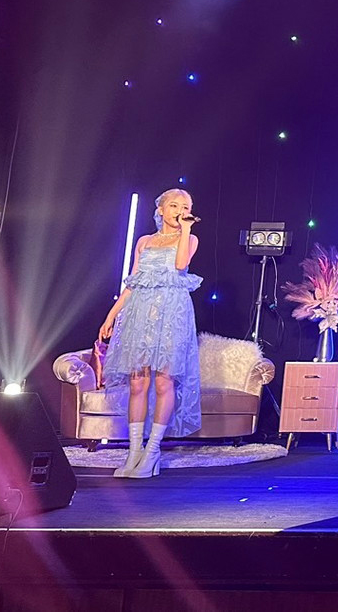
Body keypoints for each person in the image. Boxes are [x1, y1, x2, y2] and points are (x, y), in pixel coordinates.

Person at [99, 188, 203, 478]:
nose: (180, 211)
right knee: (137, 383)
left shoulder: (189, 238)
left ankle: (153, 451)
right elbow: (132, 284)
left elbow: (180, 265)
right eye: (174, 205)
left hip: (171, 315)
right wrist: (111, 315)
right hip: (141, 316)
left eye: (186, 206)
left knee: (163, 383)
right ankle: (134, 451)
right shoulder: (144, 241)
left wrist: (186, 228)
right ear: (160, 210)